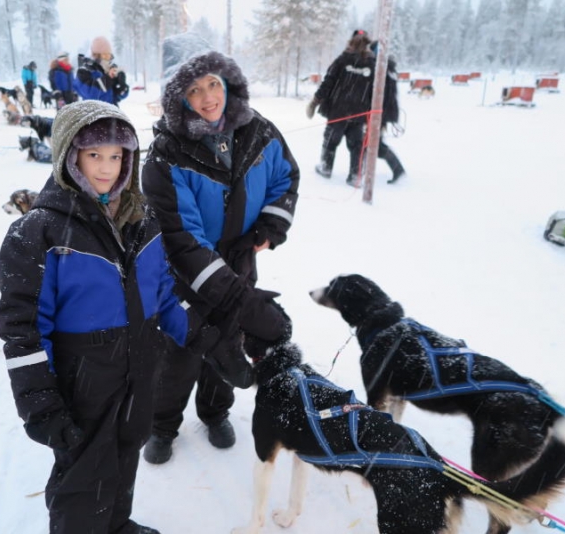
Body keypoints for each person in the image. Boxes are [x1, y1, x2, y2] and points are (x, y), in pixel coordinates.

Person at [0, 100, 215, 534]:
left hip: (139, 370)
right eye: (94, 154)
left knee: (125, 455)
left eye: (117, 156)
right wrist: (41, 404)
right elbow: (22, 332)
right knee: (83, 479)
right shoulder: (38, 232)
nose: (106, 168)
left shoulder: (143, 218)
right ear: (68, 154)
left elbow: (163, 296)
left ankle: (116, 525)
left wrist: (207, 339)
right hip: (82, 386)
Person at [141, 50, 299, 465]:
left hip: (240, 260)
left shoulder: (258, 130)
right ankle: (162, 425)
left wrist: (271, 224)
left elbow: (286, 177)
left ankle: (215, 413)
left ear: (227, 81)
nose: (208, 97)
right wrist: (238, 297)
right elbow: (181, 239)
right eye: (194, 90)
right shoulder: (166, 155)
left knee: (230, 342)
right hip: (185, 273)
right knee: (178, 353)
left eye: (213, 83)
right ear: (179, 99)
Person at [306, 30, 375, 187]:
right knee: (357, 146)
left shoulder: (343, 60)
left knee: (331, 141)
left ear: (350, 43)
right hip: (359, 114)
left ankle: (325, 168)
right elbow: (376, 92)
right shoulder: (372, 64)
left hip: (338, 111)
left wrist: (315, 102)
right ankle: (355, 176)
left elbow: (328, 82)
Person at [376, 54, 406, 183]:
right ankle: (361, 170)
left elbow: (383, 95)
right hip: (384, 113)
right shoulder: (388, 70)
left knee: (375, 145)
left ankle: (397, 168)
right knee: (369, 144)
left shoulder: (382, 71)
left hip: (380, 113)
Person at [75, 36, 129, 105]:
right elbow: (90, 95)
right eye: (105, 55)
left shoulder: (106, 71)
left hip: (111, 113)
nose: (108, 59)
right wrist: (108, 78)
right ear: (96, 55)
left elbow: (115, 97)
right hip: (95, 114)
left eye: (109, 55)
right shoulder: (84, 71)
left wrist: (122, 86)